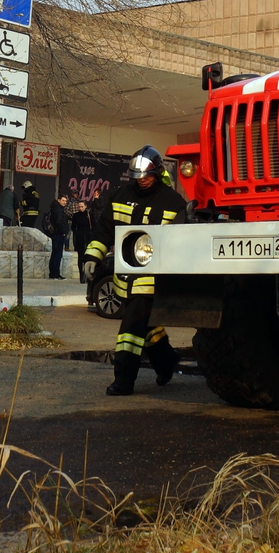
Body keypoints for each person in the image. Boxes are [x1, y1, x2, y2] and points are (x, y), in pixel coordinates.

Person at [85, 146, 189, 396]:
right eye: (138, 177)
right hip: (124, 276)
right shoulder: (120, 195)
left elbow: (182, 243)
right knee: (147, 326)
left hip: (153, 279)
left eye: (147, 176)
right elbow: (104, 229)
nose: (142, 180)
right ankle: (167, 361)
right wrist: (92, 255)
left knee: (130, 330)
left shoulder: (173, 202)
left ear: (158, 172)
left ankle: (123, 380)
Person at [45, 194, 71, 279]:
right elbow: (59, 221)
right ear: (59, 200)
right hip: (58, 233)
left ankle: (53, 273)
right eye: (63, 200)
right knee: (57, 254)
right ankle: (55, 273)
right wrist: (63, 231)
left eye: (65, 201)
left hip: (56, 233)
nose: (64, 202)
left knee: (55, 253)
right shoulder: (58, 209)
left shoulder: (55, 208)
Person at [71, 194, 94, 281]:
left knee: (87, 257)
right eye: (79, 207)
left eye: (82, 206)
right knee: (80, 257)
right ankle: (82, 274)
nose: (80, 208)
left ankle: (87, 273)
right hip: (80, 239)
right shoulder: (76, 216)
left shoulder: (89, 215)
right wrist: (76, 233)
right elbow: (73, 227)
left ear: (85, 206)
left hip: (88, 238)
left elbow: (93, 225)